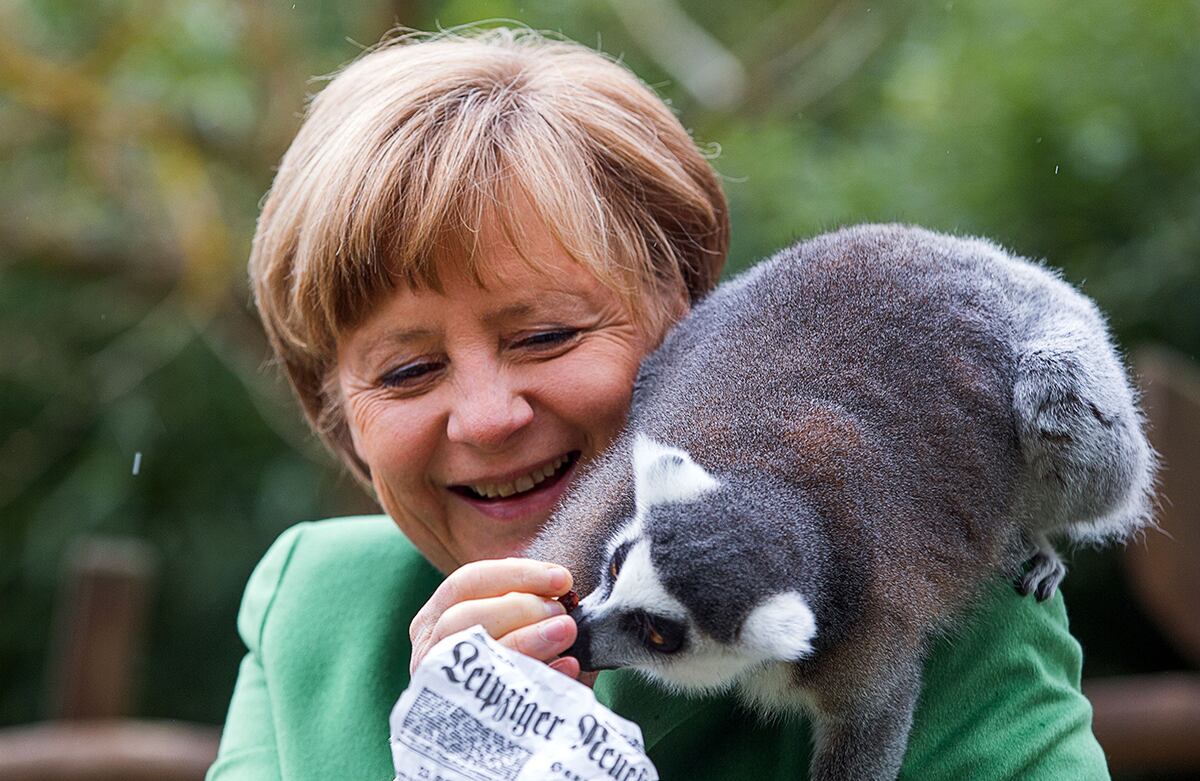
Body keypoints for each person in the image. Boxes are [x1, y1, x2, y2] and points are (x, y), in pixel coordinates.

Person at [208, 27, 1110, 780]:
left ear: (692, 329)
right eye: (406, 371)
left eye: (545, 335)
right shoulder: (315, 611)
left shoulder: (922, 614)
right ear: (338, 412)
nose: (486, 417)